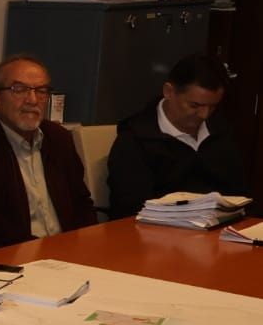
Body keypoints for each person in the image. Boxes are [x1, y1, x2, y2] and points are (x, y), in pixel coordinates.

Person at [0, 54, 95, 251]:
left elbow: (81, 202)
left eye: (41, 91)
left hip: (67, 253)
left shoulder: (59, 138)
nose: (32, 100)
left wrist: (87, 245)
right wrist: (41, 250)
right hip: (14, 258)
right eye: (19, 89)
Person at [107, 53, 250, 219]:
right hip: (159, 234)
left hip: (220, 232)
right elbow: (130, 209)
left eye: (213, 107)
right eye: (194, 105)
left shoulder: (220, 132)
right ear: (169, 92)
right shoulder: (136, 139)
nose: (204, 114)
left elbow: (240, 194)